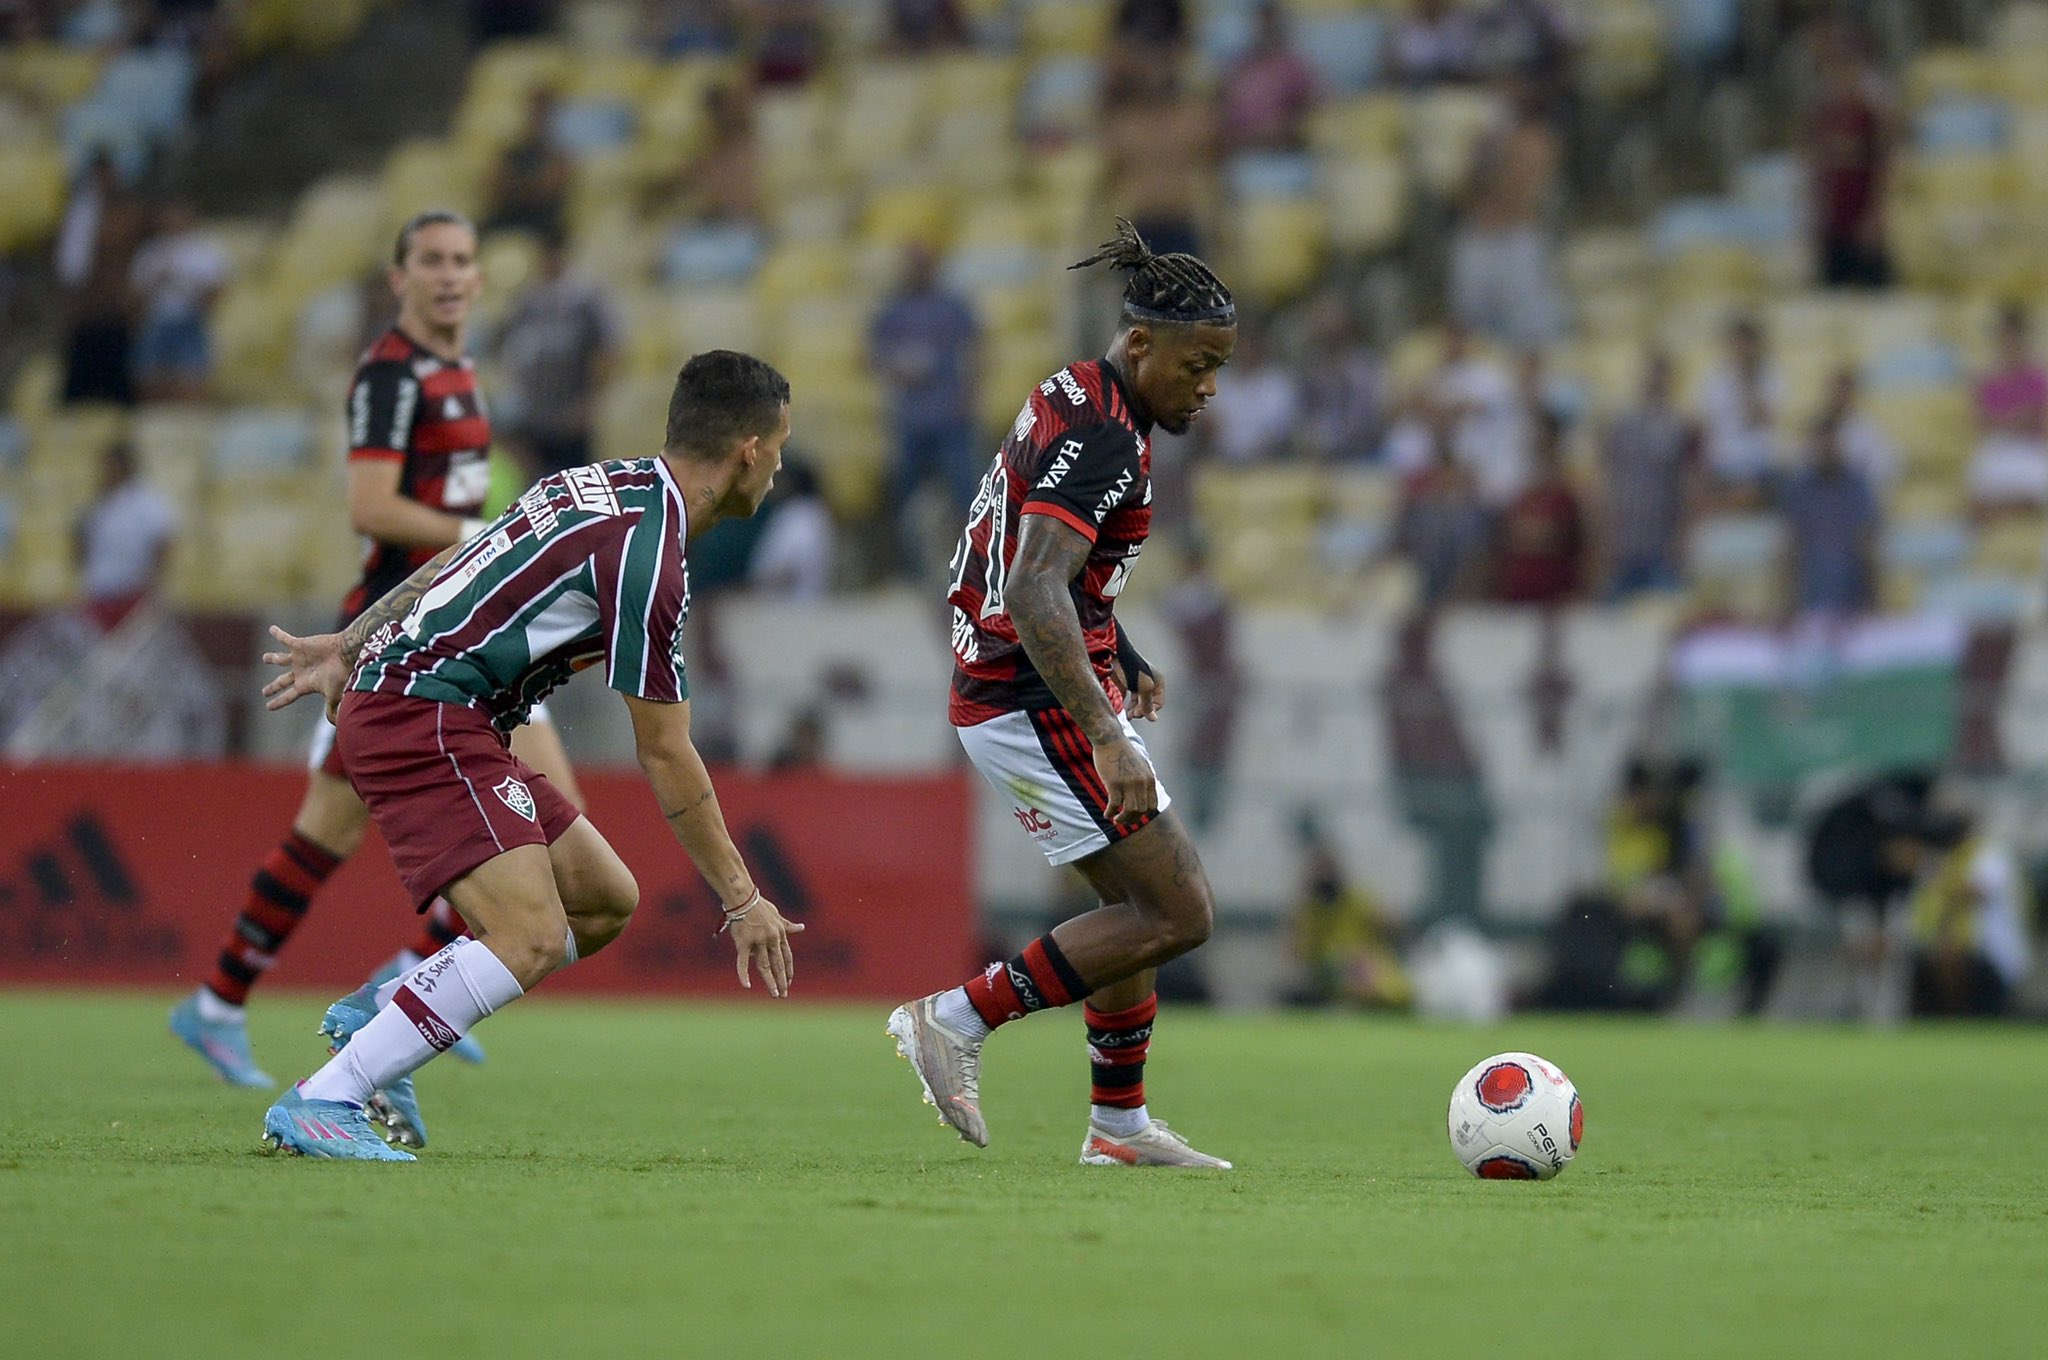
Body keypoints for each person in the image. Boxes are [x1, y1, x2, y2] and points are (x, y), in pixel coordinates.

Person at [257, 349, 804, 1160]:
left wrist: (353, 640)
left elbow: (456, 562)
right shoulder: (648, 555)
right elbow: (664, 752)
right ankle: (324, 1099)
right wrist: (740, 897)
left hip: (441, 710)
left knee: (604, 900)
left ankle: (383, 1017)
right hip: (426, 714)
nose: (782, 465)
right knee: (532, 936)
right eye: (782, 445)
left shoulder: (595, 483)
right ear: (750, 450)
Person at [168, 212, 583, 1122]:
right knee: (344, 831)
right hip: (402, 637)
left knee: (362, 829)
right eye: (430, 261)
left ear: (480, 279)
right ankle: (322, 1001)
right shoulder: (393, 372)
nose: (448, 275)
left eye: (462, 261)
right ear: (399, 278)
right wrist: (493, 538)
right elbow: (371, 505)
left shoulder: (462, 373)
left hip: (466, 633)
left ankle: (244, 1000)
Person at [887, 220, 1235, 1169]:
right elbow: (1034, 586)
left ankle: (1117, 1129)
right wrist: (1107, 733)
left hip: (1027, 683)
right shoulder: (1107, 441)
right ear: (1139, 345)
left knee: (1138, 909)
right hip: (1028, 693)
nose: (1208, 387)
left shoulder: (1073, 392)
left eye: (1218, 368)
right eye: (1196, 365)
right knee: (1181, 911)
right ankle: (955, 1018)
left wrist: (1120, 646)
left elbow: (1042, 559)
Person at [495, 226, 622, 480]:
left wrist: (590, 403)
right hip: (534, 416)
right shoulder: (527, 299)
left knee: (574, 487)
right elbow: (501, 342)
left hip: (570, 416)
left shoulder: (586, 299)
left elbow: (609, 350)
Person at [74, 440, 177, 631]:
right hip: (99, 594)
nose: (105, 472)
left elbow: (163, 543)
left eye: (110, 466)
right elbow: (82, 545)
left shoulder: (148, 503)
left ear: (125, 467)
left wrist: (153, 586)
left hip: (131, 595)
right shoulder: (98, 506)